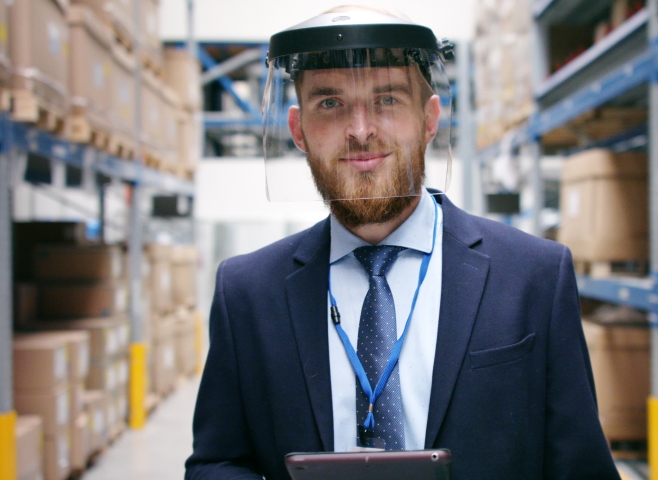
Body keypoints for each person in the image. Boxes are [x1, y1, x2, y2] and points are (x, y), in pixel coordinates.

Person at [185, 6, 620, 480]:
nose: (360, 130)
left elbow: (581, 468)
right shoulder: (247, 293)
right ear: (298, 131)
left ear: (429, 119)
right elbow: (216, 462)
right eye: (329, 104)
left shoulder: (535, 275)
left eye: (387, 100)